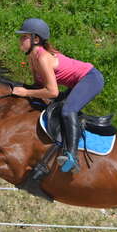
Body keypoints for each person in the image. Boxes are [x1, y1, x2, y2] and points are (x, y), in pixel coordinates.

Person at [13, 18, 105, 173]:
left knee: (68, 111)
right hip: (77, 83)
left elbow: (52, 91)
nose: (20, 40)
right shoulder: (32, 57)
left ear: (36, 39)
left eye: (24, 37)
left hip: (91, 78)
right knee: (55, 107)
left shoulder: (42, 58)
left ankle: (72, 157)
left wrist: (26, 92)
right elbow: (40, 87)